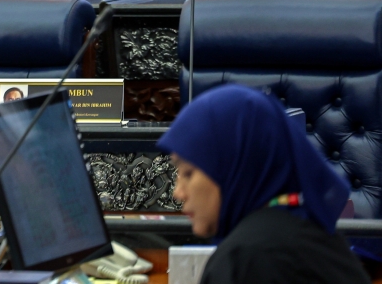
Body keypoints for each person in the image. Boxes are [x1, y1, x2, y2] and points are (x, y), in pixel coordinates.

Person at [158, 84, 370, 284]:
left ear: (233, 167)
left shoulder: (249, 259)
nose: (178, 193)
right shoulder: (316, 236)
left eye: (188, 173)